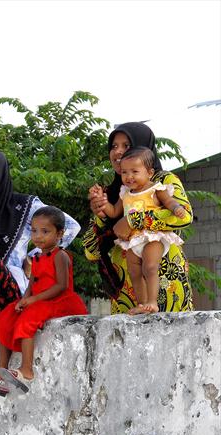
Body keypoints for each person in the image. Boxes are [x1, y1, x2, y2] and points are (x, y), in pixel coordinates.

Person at [85, 122, 193, 314]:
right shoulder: (113, 193)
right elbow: (91, 252)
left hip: (165, 283)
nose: (118, 152)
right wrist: (101, 216)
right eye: (113, 146)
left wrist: (133, 221)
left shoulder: (163, 181)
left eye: (126, 146)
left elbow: (184, 216)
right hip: (126, 291)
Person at [0, 207, 87, 395]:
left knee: (26, 321)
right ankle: (0, 370)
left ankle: (27, 370)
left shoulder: (60, 256)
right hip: (39, 300)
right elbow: (32, 283)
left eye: (45, 231)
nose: (38, 236)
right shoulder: (36, 257)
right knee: (5, 319)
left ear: (60, 233)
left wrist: (34, 299)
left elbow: (61, 285)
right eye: (34, 231)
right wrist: (24, 299)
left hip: (59, 301)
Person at [0, 150, 80, 293]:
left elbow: (70, 227)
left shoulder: (24, 206)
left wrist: (36, 257)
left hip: (11, 290)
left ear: (0, 174)